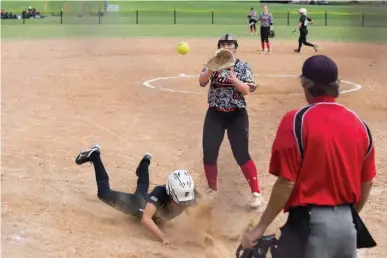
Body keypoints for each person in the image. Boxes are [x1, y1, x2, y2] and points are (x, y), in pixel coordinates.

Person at [241, 55, 376, 257]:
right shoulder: (360, 125)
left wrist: (260, 227)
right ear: (336, 85)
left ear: (305, 83)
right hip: (348, 227)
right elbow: (367, 182)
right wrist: (348, 216)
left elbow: (286, 182)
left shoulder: (296, 121)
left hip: (311, 226)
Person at [75, 144, 196, 245]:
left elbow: (199, 213)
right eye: (178, 201)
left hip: (145, 200)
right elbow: (146, 219)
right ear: (170, 193)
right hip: (138, 206)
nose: (183, 204)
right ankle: (94, 155)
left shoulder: (188, 192)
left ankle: (145, 161)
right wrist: (164, 237)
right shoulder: (159, 193)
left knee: (142, 190)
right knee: (104, 193)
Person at [198, 33, 264, 209]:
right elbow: (201, 81)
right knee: (209, 153)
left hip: (237, 115)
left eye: (231, 44)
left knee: (241, 154)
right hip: (215, 114)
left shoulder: (242, 66)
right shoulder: (211, 63)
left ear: (235, 48)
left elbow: (246, 90)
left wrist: (234, 79)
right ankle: (212, 190)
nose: (227, 46)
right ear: (219, 46)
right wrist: (212, 67)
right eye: (224, 43)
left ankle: (256, 193)